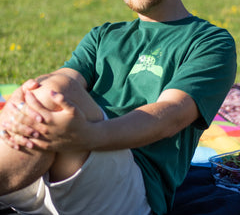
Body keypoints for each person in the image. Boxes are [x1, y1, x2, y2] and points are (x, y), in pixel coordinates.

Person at [0, 0, 236, 215]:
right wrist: (21, 100)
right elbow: (62, 78)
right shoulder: (104, 35)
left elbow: (170, 116)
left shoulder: (210, 41)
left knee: (54, 98)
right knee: (44, 93)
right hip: (51, 166)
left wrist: (87, 135)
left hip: (132, 186)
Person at [0, 73, 150, 214]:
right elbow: (55, 77)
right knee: (43, 95)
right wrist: (19, 97)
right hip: (38, 174)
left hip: (127, 186)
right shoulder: (101, 44)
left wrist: (91, 134)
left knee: (56, 94)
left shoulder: (172, 49)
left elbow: (169, 119)